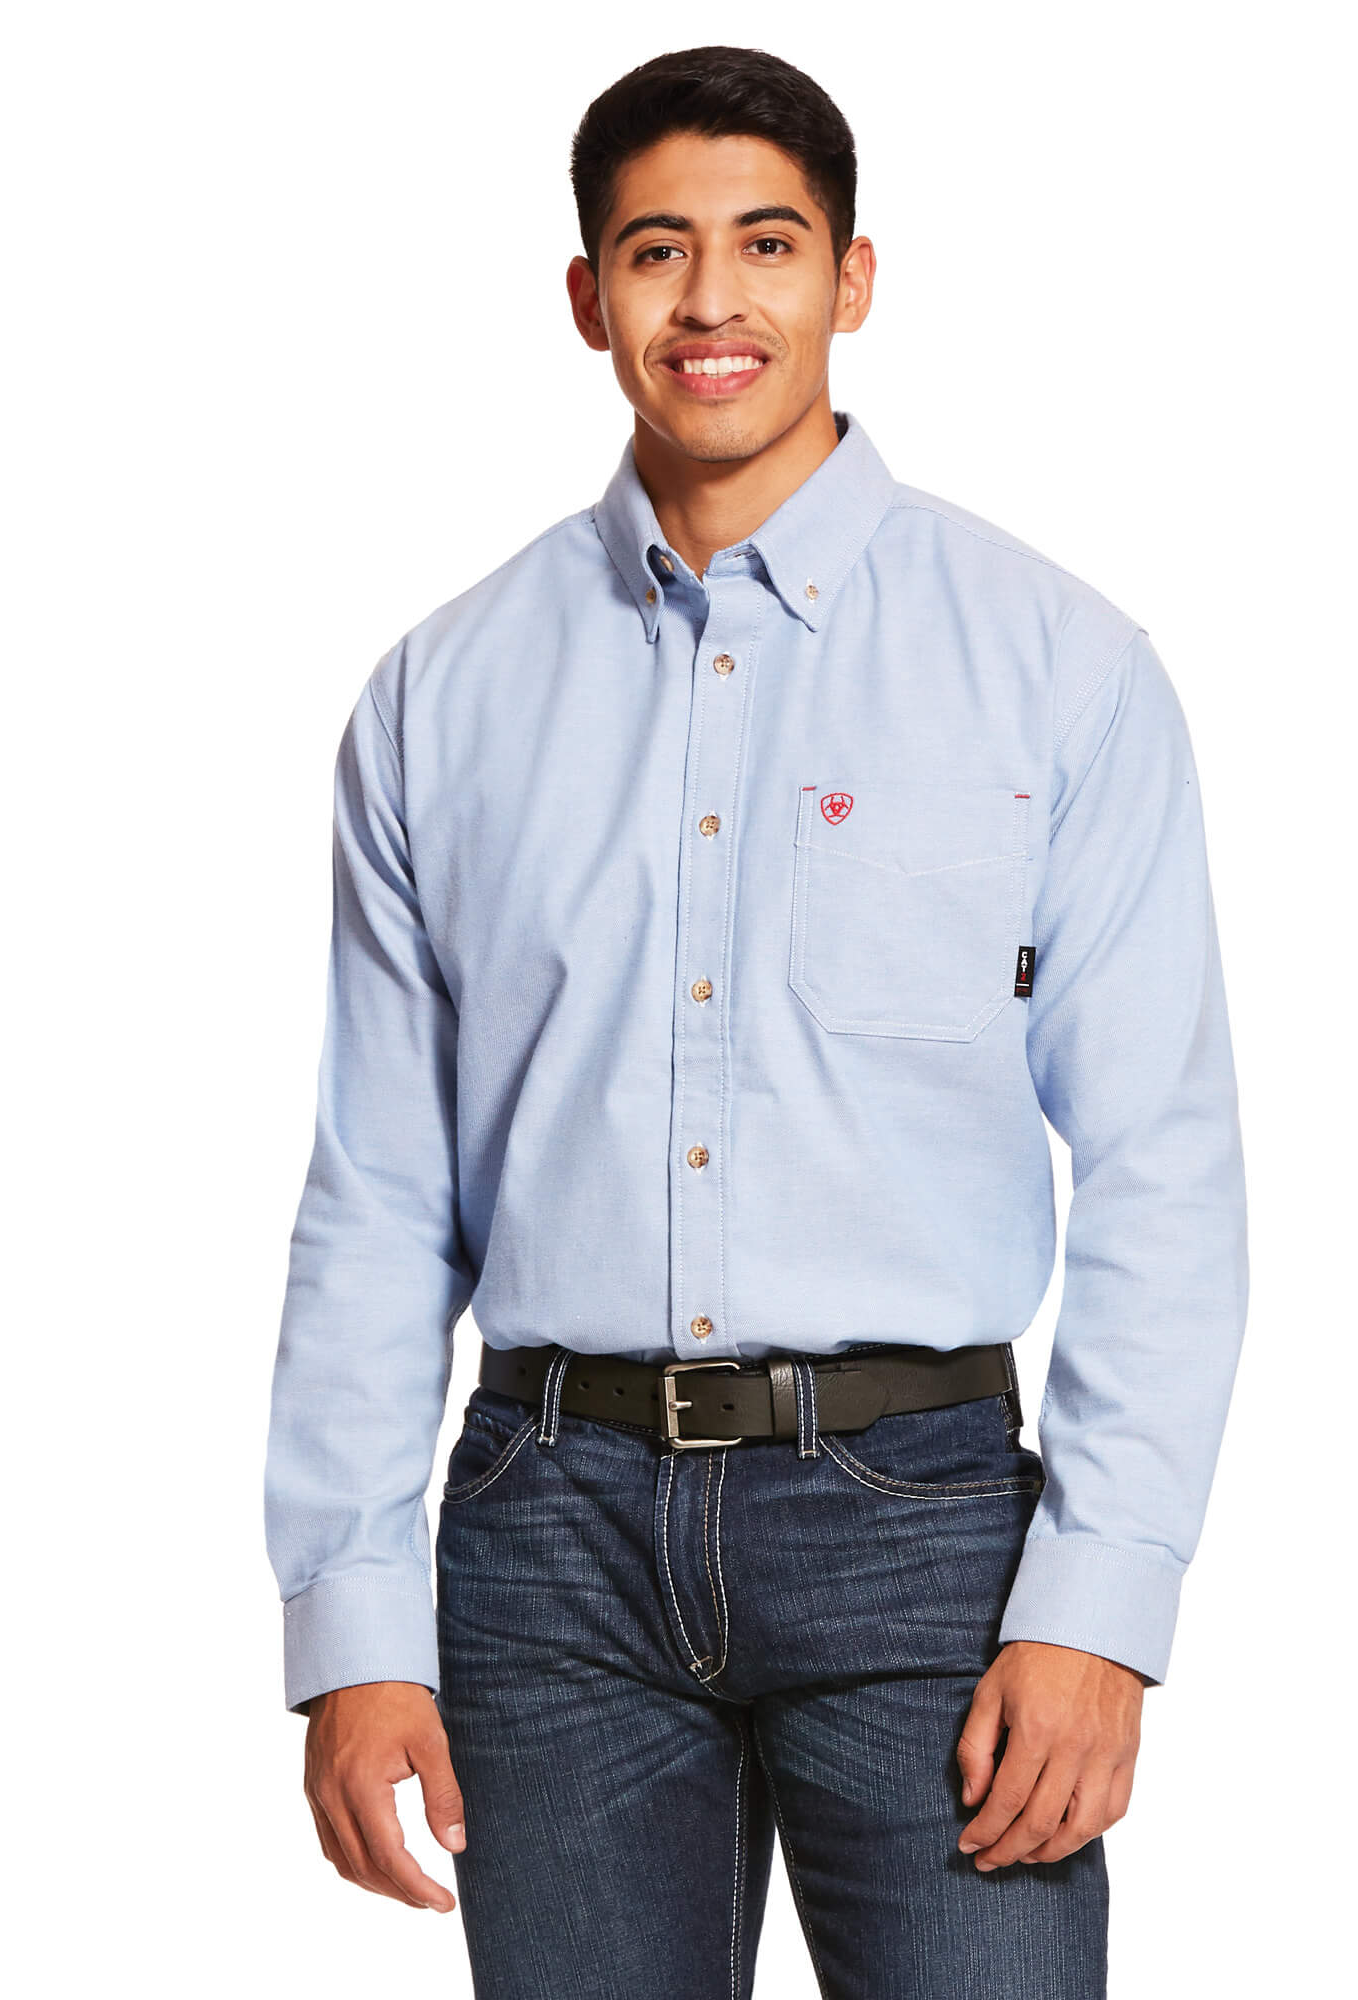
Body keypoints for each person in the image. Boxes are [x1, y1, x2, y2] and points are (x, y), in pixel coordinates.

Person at [265, 43, 1247, 2000]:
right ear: (587, 296)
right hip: (546, 1535)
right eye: (657, 250)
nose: (712, 298)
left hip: (925, 1533)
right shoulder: (443, 695)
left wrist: (1101, 1603)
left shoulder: (1053, 665)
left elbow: (1164, 1161)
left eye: (768, 244)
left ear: (852, 277)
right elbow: (377, 1192)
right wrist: (351, 1621)